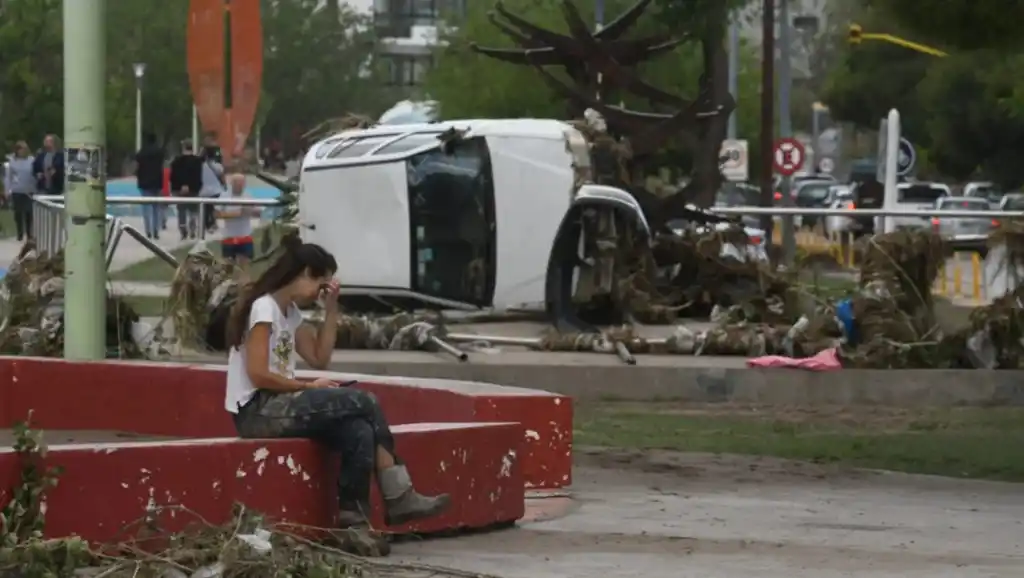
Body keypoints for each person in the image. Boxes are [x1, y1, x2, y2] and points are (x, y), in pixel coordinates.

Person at [224, 236, 450, 555]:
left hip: (280, 404)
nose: (320, 293)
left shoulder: (289, 314)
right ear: (304, 273)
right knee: (364, 401)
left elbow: (319, 357)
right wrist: (307, 387)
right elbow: (258, 374)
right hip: (257, 410)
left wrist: (331, 310)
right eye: (320, 285)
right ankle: (398, 494)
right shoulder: (264, 308)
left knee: (357, 430)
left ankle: (353, 525)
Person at [217, 173, 257, 265]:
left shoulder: (248, 196)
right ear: (231, 183)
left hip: (245, 236)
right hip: (229, 236)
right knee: (228, 266)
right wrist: (236, 214)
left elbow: (258, 212)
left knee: (244, 267)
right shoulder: (224, 196)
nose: (239, 184)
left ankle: (244, 279)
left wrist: (249, 211)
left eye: (241, 182)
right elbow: (216, 214)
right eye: (236, 182)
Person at [169, 139, 203, 240]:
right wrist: (190, 185)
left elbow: (173, 176)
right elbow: (198, 176)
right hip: (193, 189)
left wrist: (181, 185)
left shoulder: (176, 161)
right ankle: (192, 228)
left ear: (183, 148)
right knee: (193, 210)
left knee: (181, 211)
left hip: (178, 189)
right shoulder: (197, 161)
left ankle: (183, 230)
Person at [135, 131, 165, 240]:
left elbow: (137, 162)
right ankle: (156, 230)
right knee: (156, 208)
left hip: (144, 182)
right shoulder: (159, 153)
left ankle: (148, 231)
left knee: (146, 208)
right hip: (157, 182)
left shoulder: (141, 153)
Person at [4, 141, 36, 241]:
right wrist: (7, 190)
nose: (23, 151)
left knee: (29, 213)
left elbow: (34, 174)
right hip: (17, 189)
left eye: (24, 149)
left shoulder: (31, 160)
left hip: (29, 189)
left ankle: (29, 233)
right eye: (21, 149)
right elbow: (8, 177)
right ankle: (20, 233)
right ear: (17, 150)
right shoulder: (12, 162)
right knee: (18, 213)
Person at [200, 144, 225, 234]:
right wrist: (224, 185)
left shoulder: (200, 165)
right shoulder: (218, 166)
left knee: (206, 208)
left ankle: (206, 224)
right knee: (212, 207)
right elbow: (222, 178)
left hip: (203, 190)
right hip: (215, 190)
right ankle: (212, 223)